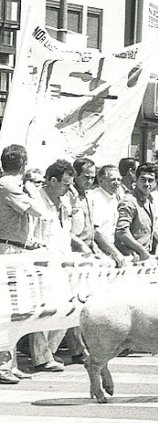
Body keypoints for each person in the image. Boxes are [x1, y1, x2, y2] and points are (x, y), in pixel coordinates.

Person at [30, 159, 85, 372]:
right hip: (42, 262)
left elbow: (76, 230)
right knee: (43, 311)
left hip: (63, 261)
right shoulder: (36, 200)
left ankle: (50, 352)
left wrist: (74, 205)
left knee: (65, 309)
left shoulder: (64, 202)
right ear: (52, 180)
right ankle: (41, 357)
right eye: (64, 184)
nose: (67, 189)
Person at [0, 145, 47, 383]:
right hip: (7, 249)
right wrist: (30, 188)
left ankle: (11, 362)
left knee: (16, 310)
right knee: (7, 309)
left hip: (17, 248)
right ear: (24, 163)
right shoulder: (8, 185)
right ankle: (2, 365)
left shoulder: (10, 185)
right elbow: (39, 210)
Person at [115, 162, 158, 261]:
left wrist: (157, 246)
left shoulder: (151, 201)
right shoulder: (129, 201)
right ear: (136, 180)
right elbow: (122, 231)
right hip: (131, 257)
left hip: (145, 256)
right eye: (143, 179)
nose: (147, 184)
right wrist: (141, 250)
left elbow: (150, 230)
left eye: (150, 180)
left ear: (156, 182)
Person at [91, 165, 125, 267]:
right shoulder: (95, 198)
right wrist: (115, 253)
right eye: (113, 179)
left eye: (119, 179)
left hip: (110, 250)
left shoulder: (114, 199)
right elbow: (96, 231)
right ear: (101, 180)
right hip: (98, 252)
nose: (117, 183)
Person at [68, 158, 97, 256]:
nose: (90, 181)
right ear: (75, 175)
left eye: (92, 178)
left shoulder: (89, 195)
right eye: (86, 177)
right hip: (74, 250)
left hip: (89, 250)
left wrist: (93, 244)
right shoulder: (68, 197)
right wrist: (82, 246)